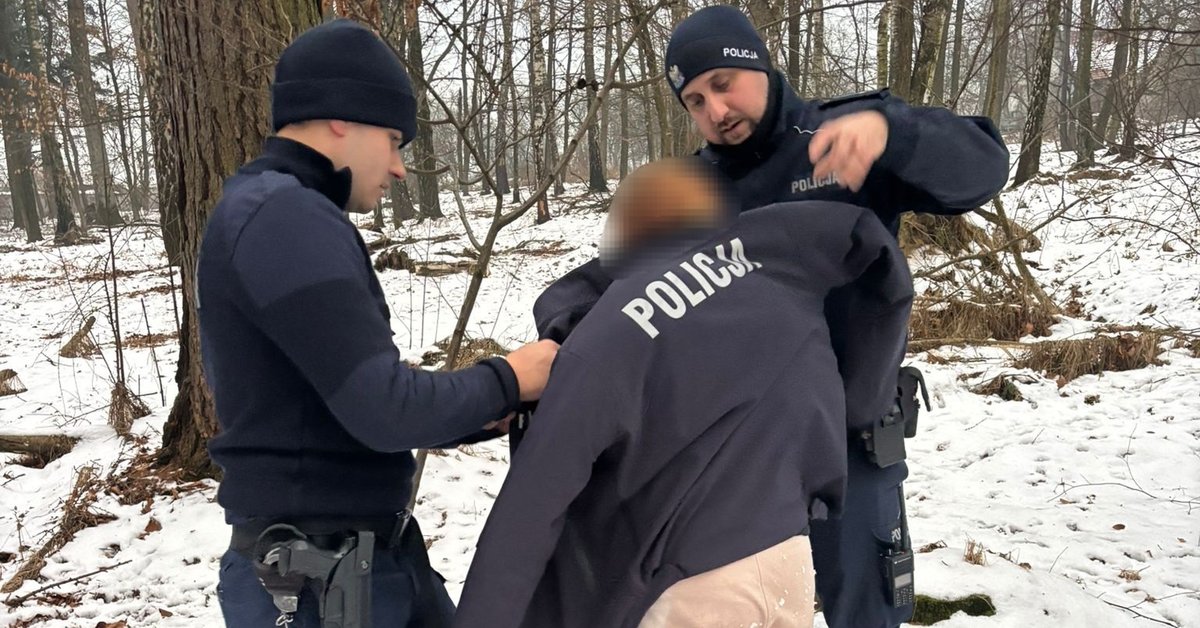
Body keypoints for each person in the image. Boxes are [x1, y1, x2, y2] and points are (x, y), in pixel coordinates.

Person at [519, 6, 1010, 627]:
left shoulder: (845, 134)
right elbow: (617, 287)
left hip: (853, 443)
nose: (715, 112)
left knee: (866, 611)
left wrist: (893, 130)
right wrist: (561, 334)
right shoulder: (689, 190)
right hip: (738, 460)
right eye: (695, 101)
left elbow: (985, 170)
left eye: (723, 84)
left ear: (759, 62)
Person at [197, 19, 558, 628]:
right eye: (393, 139)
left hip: (358, 567)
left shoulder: (271, 211)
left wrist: (479, 412)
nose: (397, 167)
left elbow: (337, 406)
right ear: (342, 116)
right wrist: (509, 377)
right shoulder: (285, 216)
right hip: (318, 585)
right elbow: (383, 410)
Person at [454, 158, 914, 628]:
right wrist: (863, 405)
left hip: (685, 583)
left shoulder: (609, 336)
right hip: (786, 559)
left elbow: (530, 508)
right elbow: (872, 323)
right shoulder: (787, 276)